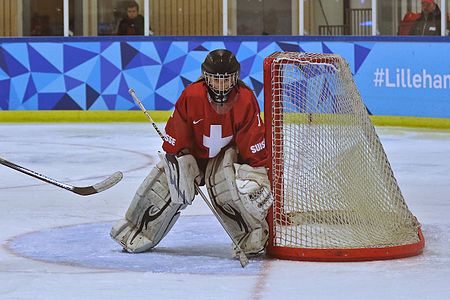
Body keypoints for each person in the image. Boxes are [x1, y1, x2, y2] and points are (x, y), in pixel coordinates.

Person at [110, 49, 273, 259]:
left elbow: (251, 143)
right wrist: (178, 154)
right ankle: (135, 230)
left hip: (223, 160)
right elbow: (177, 136)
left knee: (229, 186)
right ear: (206, 78)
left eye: (226, 80)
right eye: (215, 80)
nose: (221, 86)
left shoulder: (245, 100)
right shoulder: (192, 95)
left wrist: (255, 175)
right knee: (170, 180)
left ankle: (253, 236)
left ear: (236, 78)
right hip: (193, 156)